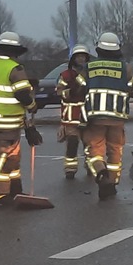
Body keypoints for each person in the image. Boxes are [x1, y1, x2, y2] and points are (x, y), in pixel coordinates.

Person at [0, 32, 37, 207]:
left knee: (13, 156)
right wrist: (31, 106)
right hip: (8, 120)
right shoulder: (15, 68)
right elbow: (22, 93)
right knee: (5, 155)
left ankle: (14, 188)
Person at [81, 32, 133, 200]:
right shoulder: (125, 67)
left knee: (94, 150)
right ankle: (111, 184)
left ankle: (100, 171)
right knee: (115, 150)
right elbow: (131, 86)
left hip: (95, 117)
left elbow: (79, 87)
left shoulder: (89, 67)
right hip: (117, 117)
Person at [56, 44, 90, 179]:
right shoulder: (65, 75)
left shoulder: (91, 74)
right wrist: (72, 91)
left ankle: (91, 166)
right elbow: (60, 93)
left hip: (87, 115)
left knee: (89, 144)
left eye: (83, 56)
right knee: (72, 143)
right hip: (71, 116)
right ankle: (70, 169)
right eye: (78, 56)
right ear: (73, 59)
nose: (81, 59)